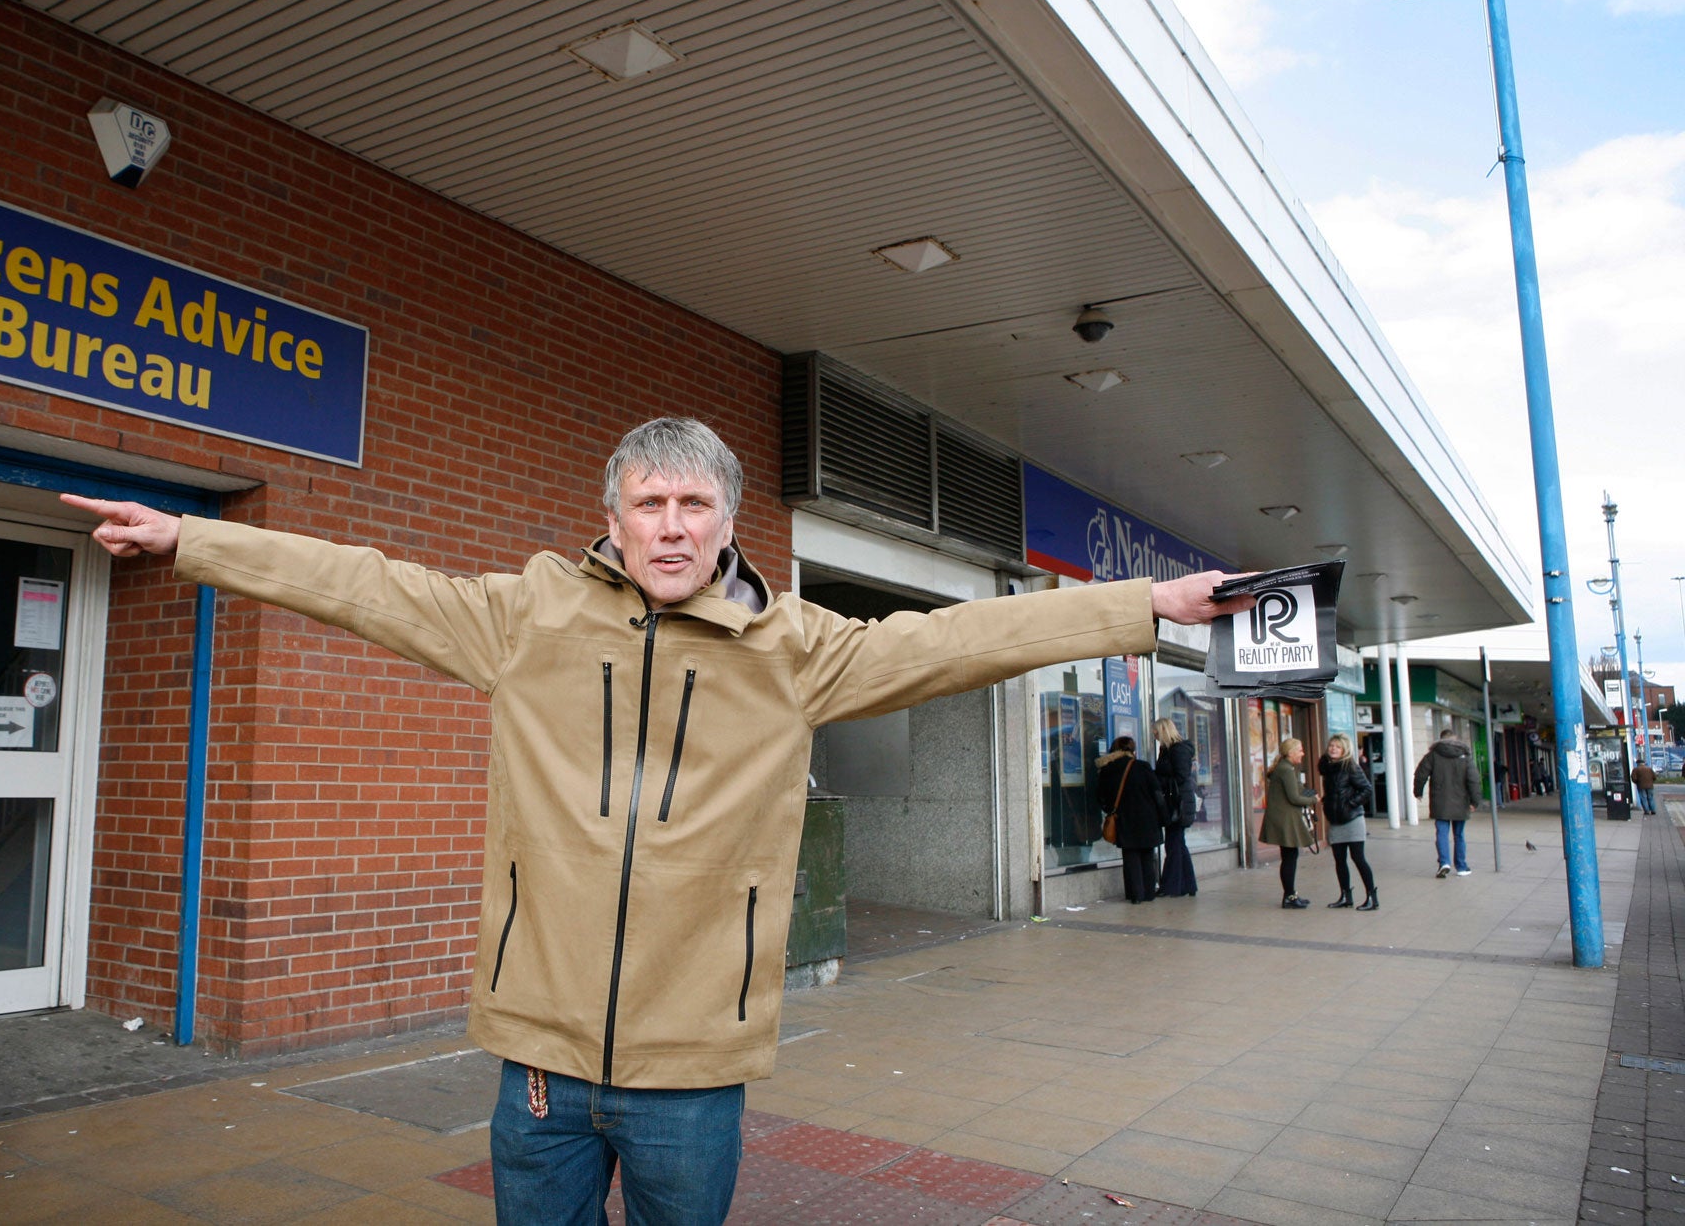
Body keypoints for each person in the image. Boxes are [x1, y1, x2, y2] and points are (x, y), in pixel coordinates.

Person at [63, 417, 1253, 1225]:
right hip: (539, 1057)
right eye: (650, 503)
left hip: (692, 1064)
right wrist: (193, 539)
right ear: (613, 519)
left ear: (728, 520)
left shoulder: (796, 651)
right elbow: (368, 582)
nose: (672, 525)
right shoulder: (529, 616)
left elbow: (955, 639)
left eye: (694, 503)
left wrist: (1142, 604)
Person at [1096, 735, 1166, 904]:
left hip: (1124, 818)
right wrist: (1163, 817)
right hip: (1147, 818)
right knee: (1147, 855)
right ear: (1132, 750)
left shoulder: (1107, 769)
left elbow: (1100, 796)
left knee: (1130, 856)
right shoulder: (1142, 767)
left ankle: (1135, 895)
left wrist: (1110, 810)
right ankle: (1149, 892)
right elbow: (1157, 793)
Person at [1318, 734, 1378, 910]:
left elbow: (1366, 789)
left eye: (1337, 746)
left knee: (1358, 858)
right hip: (1336, 819)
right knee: (1339, 860)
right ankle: (1345, 896)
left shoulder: (1350, 766)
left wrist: (1350, 804)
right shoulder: (1328, 769)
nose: (1333, 749)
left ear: (1344, 750)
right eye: (1331, 746)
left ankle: (1372, 897)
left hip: (1352, 819)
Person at [1413, 727, 1480, 877]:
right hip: (1461, 802)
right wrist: (1475, 801)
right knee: (1459, 835)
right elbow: (1474, 780)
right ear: (1455, 740)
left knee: (1442, 833)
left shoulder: (1433, 755)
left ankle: (1444, 862)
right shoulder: (1465, 756)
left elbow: (1420, 773)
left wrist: (1418, 791)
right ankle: (1462, 867)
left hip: (1440, 801)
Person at [1259, 737, 1317, 908]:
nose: (1303, 753)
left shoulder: (1285, 767)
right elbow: (1294, 797)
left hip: (1283, 818)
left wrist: (1308, 795)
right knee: (1290, 857)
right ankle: (1289, 897)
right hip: (1285, 820)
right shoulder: (1286, 770)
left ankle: (1291, 894)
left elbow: (1295, 792)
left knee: (1290, 856)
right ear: (1291, 753)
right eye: (1300, 750)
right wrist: (1313, 799)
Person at [1152, 717, 1198, 898]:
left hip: (1178, 804)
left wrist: (1157, 780)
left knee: (1174, 845)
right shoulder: (1167, 750)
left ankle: (1171, 886)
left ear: (1163, 731)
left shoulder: (1177, 750)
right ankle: (1188, 884)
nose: (1154, 735)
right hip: (1177, 802)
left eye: (1156, 732)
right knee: (1178, 844)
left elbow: (1181, 777)